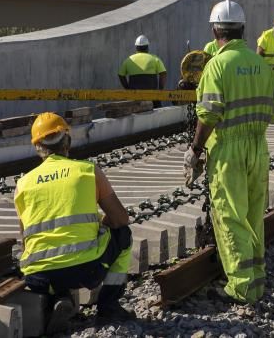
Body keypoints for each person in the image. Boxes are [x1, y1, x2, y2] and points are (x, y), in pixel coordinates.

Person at [184, 0, 274, 303]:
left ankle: (241, 287)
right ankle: (257, 278)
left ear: (215, 30)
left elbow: (208, 115)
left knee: (229, 216)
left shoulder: (216, 66)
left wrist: (196, 150)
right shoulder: (260, 65)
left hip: (228, 151)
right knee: (253, 215)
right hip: (258, 146)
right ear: (242, 29)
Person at [14, 113, 134, 331]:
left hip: (38, 277)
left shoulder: (23, 184)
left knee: (50, 262)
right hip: (86, 271)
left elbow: (26, 242)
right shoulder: (86, 171)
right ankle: (109, 307)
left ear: (37, 146)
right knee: (123, 235)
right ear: (67, 140)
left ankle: (58, 299)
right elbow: (120, 218)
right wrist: (101, 225)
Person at [118, 35, 167, 107]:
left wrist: (128, 89)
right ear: (147, 47)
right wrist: (160, 90)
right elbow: (163, 74)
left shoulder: (128, 60)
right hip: (152, 97)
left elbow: (121, 75)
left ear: (136, 47)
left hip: (134, 97)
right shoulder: (155, 59)